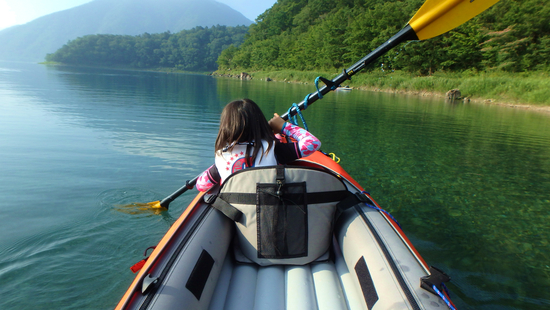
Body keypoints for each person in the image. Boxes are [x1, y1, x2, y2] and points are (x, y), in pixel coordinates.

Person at [196, 98, 321, 192]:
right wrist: (283, 126)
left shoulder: (222, 155)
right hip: (268, 211)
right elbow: (312, 143)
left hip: (236, 215)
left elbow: (201, 185)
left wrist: (218, 165)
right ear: (260, 122)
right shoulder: (274, 149)